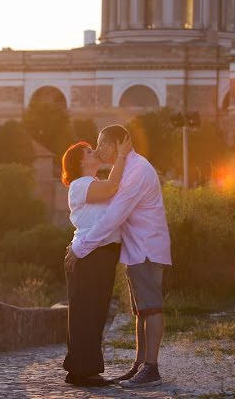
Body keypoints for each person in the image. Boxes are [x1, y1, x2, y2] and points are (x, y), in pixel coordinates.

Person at [65, 125, 172, 389]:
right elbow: (109, 200)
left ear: (116, 145)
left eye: (101, 145)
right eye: (94, 148)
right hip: (133, 249)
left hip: (145, 247)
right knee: (140, 311)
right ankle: (139, 366)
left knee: (151, 308)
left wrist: (82, 247)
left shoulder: (136, 171)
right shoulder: (115, 174)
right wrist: (82, 246)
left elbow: (115, 215)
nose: (99, 150)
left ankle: (151, 369)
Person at [60, 130, 132, 387]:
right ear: (80, 163)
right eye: (89, 152)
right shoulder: (81, 185)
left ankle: (78, 369)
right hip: (92, 254)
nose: (94, 153)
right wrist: (122, 155)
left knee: (89, 311)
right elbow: (113, 187)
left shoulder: (91, 182)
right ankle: (84, 372)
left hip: (97, 253)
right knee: (88, 312)